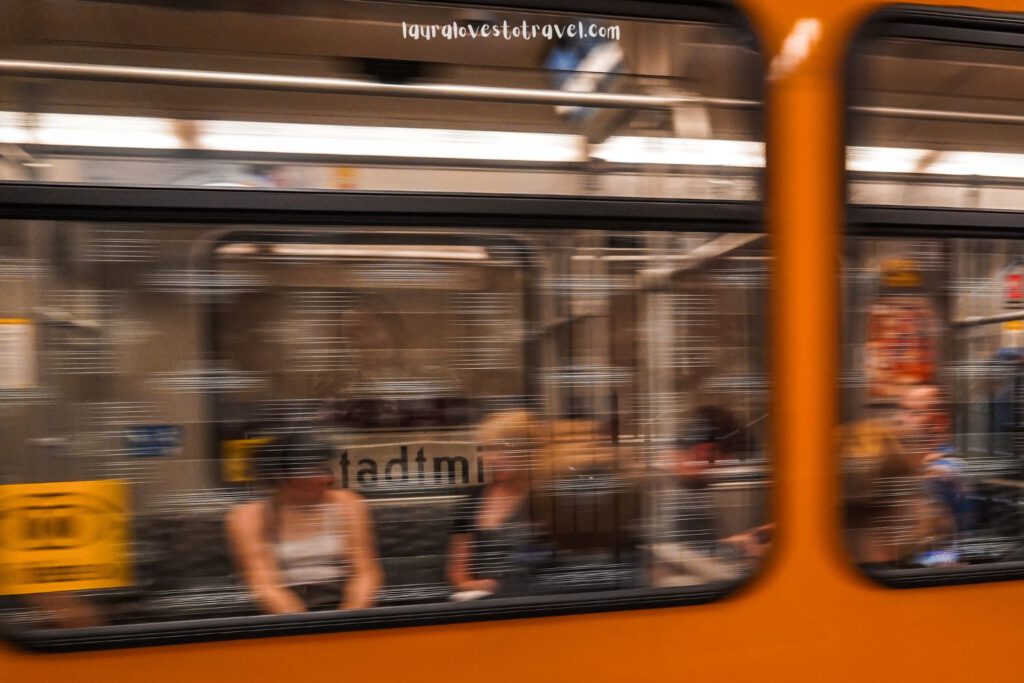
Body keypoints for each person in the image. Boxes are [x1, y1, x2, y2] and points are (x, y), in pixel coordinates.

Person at [226, 434, 381, 613]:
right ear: (284, 477)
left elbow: (365, 572)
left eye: (327, 469)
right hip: (281, 609)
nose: (330, 478)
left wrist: (349, 620)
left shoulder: (347, 504)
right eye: (318, 470)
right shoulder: (248, 516)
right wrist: (304, 627)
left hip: (340, 599)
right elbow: (262, 583)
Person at [648, 406, 759, 586]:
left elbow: (695, 549)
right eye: (730, 461)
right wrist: (751, 559)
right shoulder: (670, 494)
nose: (726, 471)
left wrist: (733, 546)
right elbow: (675, 563)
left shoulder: (688, 486)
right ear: (707, 451)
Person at [447, 410, 550, 598]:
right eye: (488, 449)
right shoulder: (472, 500)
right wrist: (476, 586)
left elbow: (548, 565)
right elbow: (458, 572)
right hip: (484, 602)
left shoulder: (546, 501)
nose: (493, 458)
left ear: (528, 452)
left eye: (504, 448)